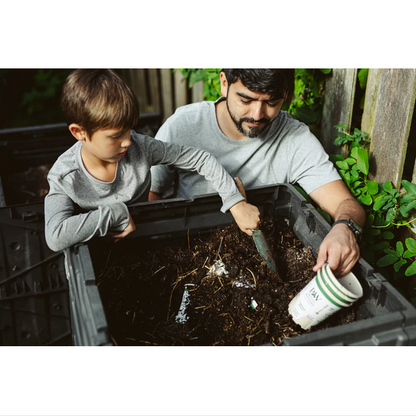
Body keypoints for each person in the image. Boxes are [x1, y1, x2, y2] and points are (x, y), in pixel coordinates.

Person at [150, 69, 366, 276]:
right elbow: (152, 195)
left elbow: (345, 204)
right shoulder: (183, 126)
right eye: (246, 100)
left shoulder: (294, 139)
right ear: (224, 84)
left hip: (257, 260)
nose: (257, 114)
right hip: (190, 250)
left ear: (285, 95)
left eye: (271, 103)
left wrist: (345, 228)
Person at [44, 69, 260, 252]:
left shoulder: (139, 148)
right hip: (97, 253)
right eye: (116, 135)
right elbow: (55, 235)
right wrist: (117, 213)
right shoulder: (65, 176)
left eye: (129, 130)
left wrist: (234, 200)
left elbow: (199, 158)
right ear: (79, 132)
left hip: (146, 242)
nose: (127, 141)